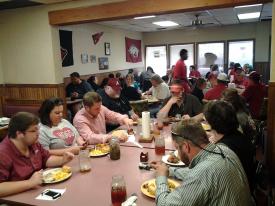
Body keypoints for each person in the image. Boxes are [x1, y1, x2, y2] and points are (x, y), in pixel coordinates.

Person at [150, 121, 251, 206]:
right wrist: (171, 170)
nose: (178, 153)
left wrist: (161, 177)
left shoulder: (201, 173)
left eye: (177, 148)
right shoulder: (224, 149)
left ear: (185, 146)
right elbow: (205, 176)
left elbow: (165, 204)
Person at [0, 112, 74, 197]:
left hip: (39, 191)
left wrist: (63, 159)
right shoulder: (3, 153)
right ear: (19, 133)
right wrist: (29, 183)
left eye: (38, 129)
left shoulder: (33, 143)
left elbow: (46, 159)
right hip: (17, 198)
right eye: (33, 130)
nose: (38, 133)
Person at [204, 100, 255, 191]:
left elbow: (206, 176)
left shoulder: (222, 150)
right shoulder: (239, 135)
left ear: (211, 123)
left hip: (234, 191)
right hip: (247, 187)